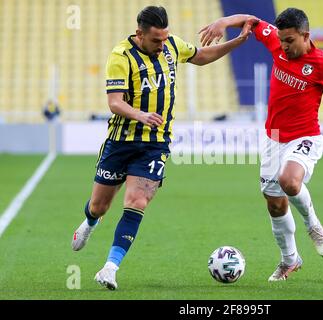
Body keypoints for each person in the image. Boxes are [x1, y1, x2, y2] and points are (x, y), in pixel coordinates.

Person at [71, 5, 253, 290]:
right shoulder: (121, 56)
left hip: (155, 144)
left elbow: (201, 56)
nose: (161, 44)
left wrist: (238, 41)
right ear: (139, 34)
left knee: (137, 202)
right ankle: (90, 222)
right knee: (99, 205)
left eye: (165, 37)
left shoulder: (171, 45)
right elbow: (114, 102)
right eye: (156, 40)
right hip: (121, 141)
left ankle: (109, 267)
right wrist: (140, 114)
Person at [200, 8, 323, 281]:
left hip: (305, 137)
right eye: (281, 40)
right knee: (275, 204)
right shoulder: (277, 41)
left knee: (289, 181)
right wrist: (223, 21)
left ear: (305, 35)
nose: (283, 46)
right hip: (273, 137)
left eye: (289, 40)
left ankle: (313, 224)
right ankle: (290, 259)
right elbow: (251, 21)